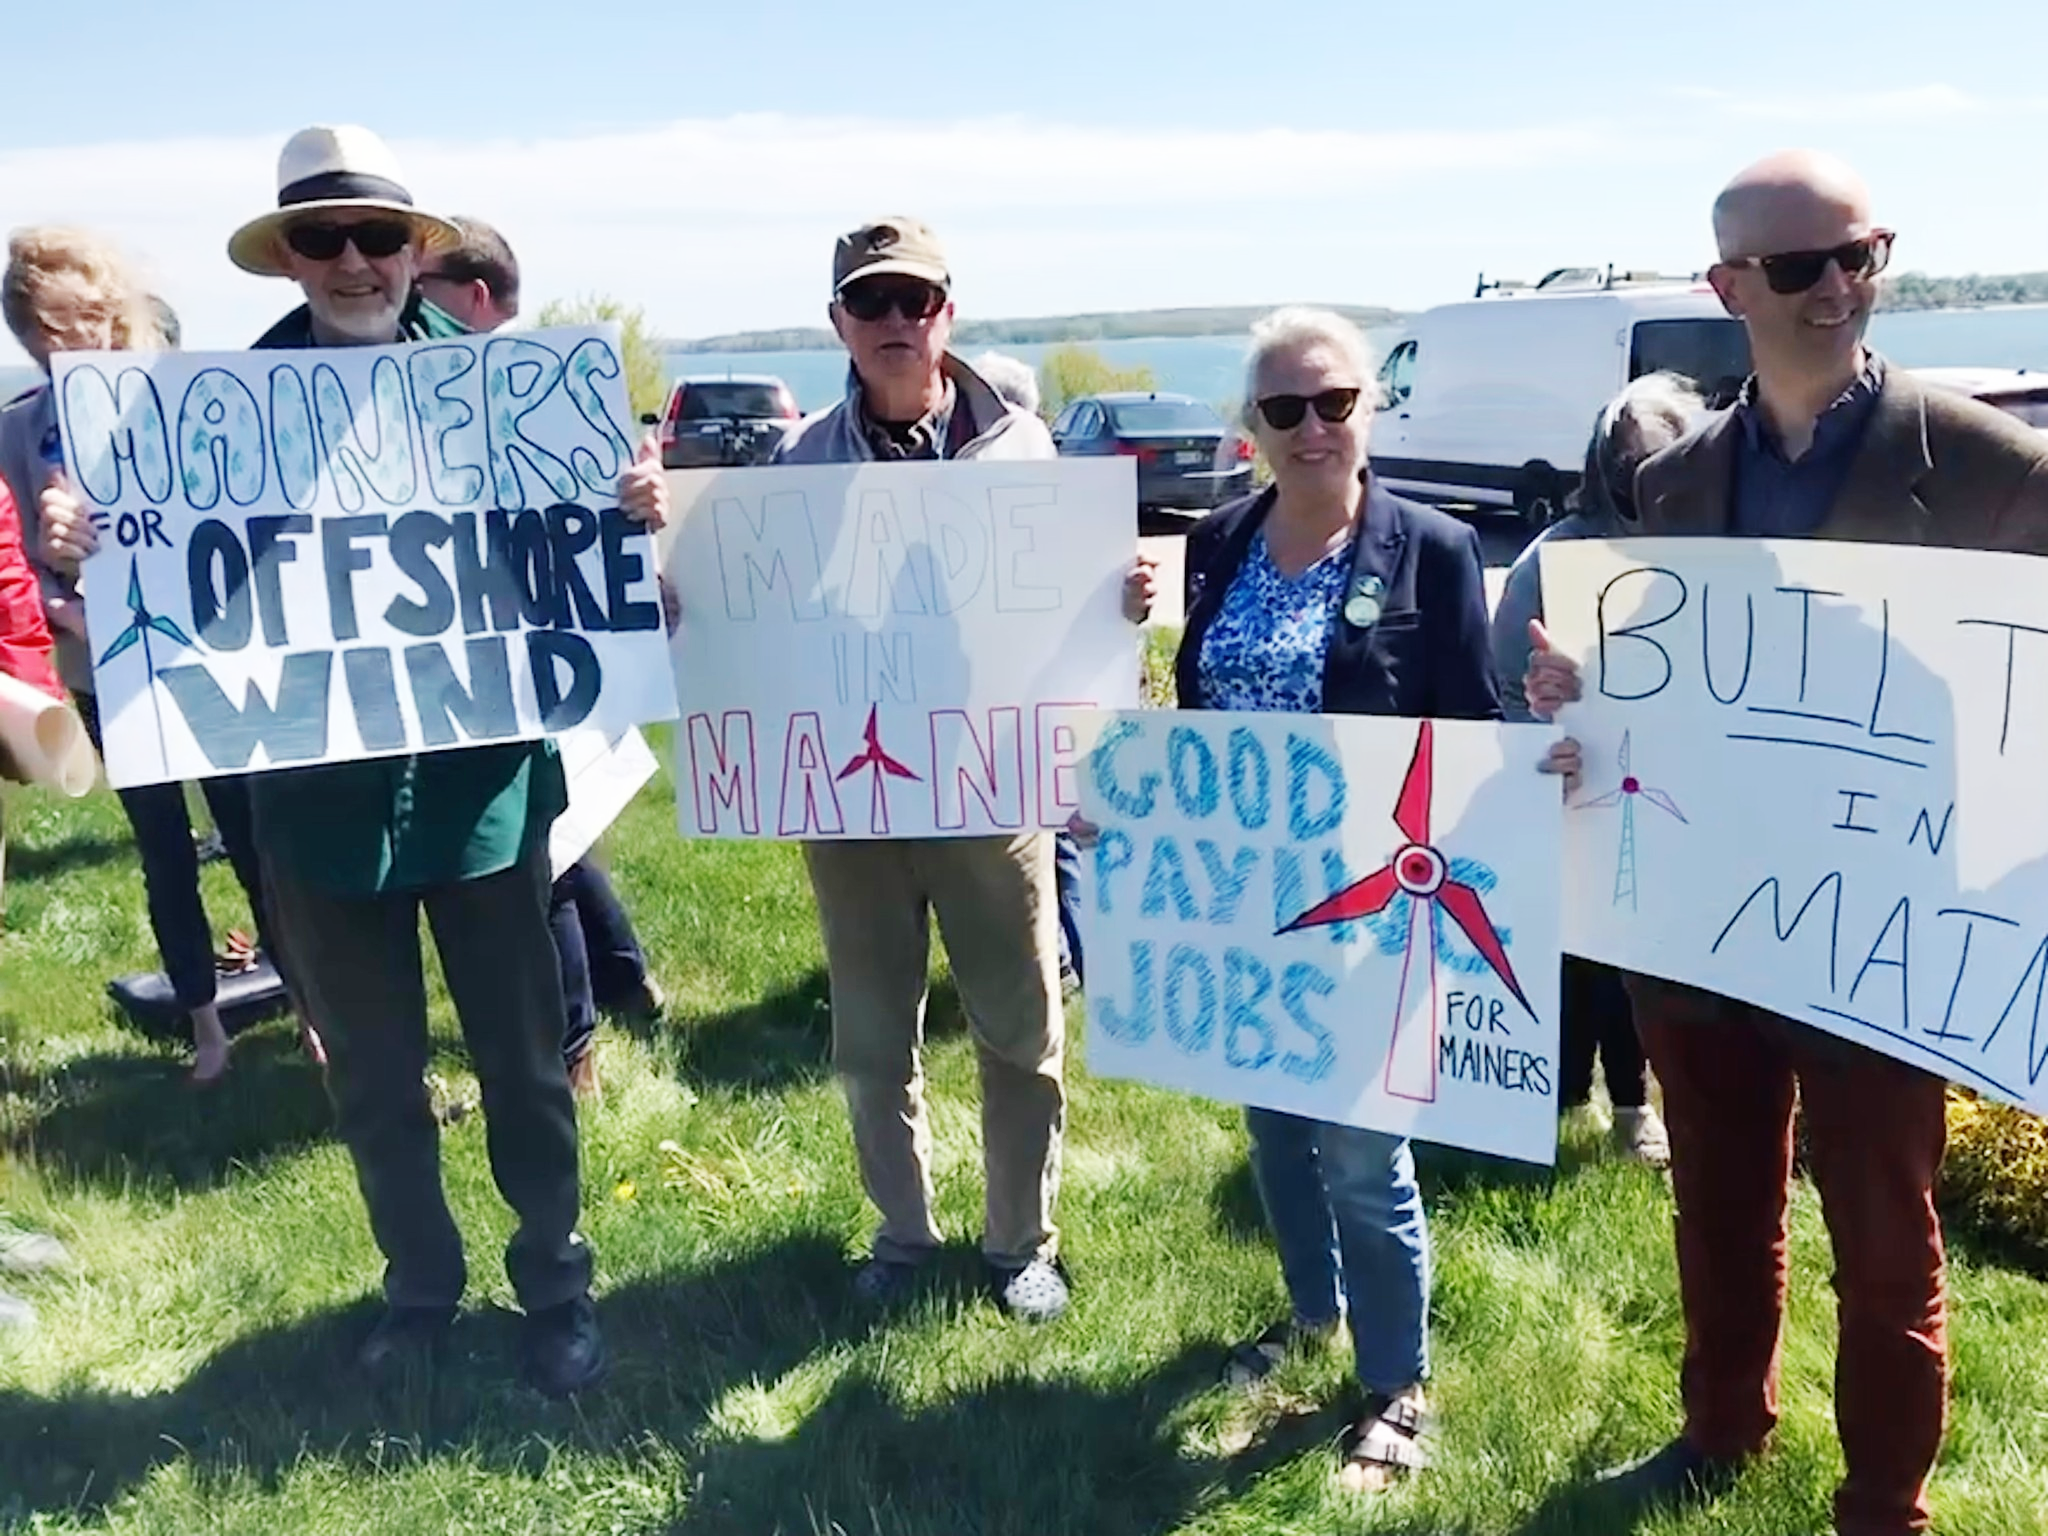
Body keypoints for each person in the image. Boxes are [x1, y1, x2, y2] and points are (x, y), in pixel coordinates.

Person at [43, 124, 670, 1396]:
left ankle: (555, 1287)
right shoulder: (197, 420)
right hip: (315, 809)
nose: (353, 261)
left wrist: (630, 501)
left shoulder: (509, 394)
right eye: (321, 238)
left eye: (378, 236)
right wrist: (85, 543)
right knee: (376, 1080)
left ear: (414, 251)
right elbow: (151, 572)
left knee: (524, 1066)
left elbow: (585, 555)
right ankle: (420, 1290)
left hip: (483, 796)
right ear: (286, 258)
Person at [1528, 150, 2048, 1536]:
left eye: (1863, 255)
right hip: (1698, 917)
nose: (1842, 289)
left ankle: (1886, 1503)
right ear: (1728, 287)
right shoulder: (1680, 477)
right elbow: (1654, 690)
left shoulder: (1998, 469)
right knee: (1717, 1204)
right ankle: (1720, 1432)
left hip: (1884, 926)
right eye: (1804, 267)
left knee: (1886, 1238)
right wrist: (1577, 701)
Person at [773, 217, 1154, 1322]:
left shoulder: (1024, 449)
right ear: (838, 320)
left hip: (991, 784)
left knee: (1018, 1026)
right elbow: (767, 619)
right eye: (872, 302)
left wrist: (1114, 598)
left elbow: (1067, 605)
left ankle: (1018, 1242)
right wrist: (693, 601)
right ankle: (901, 1234)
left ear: (949, 313)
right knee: (870, 1032)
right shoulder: (798, 464)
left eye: (916, 301)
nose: (896, 322)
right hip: (849, 792)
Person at [1178, 306, 1497, 1493]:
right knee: (1271, 1129)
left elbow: (1470, 729)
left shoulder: (1432, 548)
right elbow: (1196, 716)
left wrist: (1534, 770)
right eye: (1282, 409)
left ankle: (1394, 1377)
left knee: (1364, 1152)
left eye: (1333, 403)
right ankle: (1311, 1314)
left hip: (1372, 905)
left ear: (1370, 406)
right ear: (1251, 428)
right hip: (1239, 894)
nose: (1311, 427)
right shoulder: (1217, 540)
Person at [1, 228, 278, 1083]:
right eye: (43, 327)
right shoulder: (18, 431)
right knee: (163, 848)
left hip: (211, 659)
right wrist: (63, 598)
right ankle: (206, 1028)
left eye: (85, 318)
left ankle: (314, 1012)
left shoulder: (185, 405)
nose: (68, 342)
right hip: (108, 672)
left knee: (255, 835)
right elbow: (13, 565)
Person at [417, 214, 667, 1099]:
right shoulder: (428, 398)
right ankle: (625, 980)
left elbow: (622, 518)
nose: (415, 313)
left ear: (475, 298)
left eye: (428, 293)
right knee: (565, 844)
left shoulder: (553, 398)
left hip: (544, 673)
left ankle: (575, 1054)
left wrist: (641, 497)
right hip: (490, 668)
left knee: (551, 860)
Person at [1490, 374, 1704, 1168]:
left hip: (1680, 796)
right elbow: (1504, 679)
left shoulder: (1717, 545)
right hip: (1577, 791)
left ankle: (1635, 1102)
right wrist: (1539, 745)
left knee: (1647, 960)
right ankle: (1577, 1096)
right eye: (1632, 475)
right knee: (1580, 954)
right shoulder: (1556, 559)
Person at [971, 350, 1087, 991]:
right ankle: (1071, 954)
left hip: (1040, 709)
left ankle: (1070, 955)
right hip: (1003, 717)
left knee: (1060, 838)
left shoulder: (1050, 495)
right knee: (1057, 836)